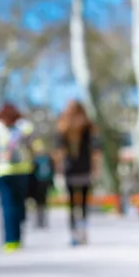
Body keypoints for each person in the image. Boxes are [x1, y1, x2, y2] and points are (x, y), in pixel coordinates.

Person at [0, 102, 34, 252]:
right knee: (19, 204)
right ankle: (17, 237)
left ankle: (10, 240)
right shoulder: (24, 126)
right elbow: (35, 146)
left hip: (2, 170)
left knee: (7, 205)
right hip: (23, 170)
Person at [57, 99, 94, 246]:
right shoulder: (88, 125)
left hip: (70, 168)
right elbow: (95, 150)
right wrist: (95, 168)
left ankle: (74, 234)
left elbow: (59, 151)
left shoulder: (63, 126)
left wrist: (59, 167)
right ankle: (83, 232)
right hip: (84, 167)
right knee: (83, 203)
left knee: (72, 202)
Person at [28, 138, 54, 229]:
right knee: (41, 203)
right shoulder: (46, 159)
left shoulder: (36, 160)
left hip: (40, 183)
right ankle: (41, 221)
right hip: (41, 183)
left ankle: (41, 221)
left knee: (40, 203)